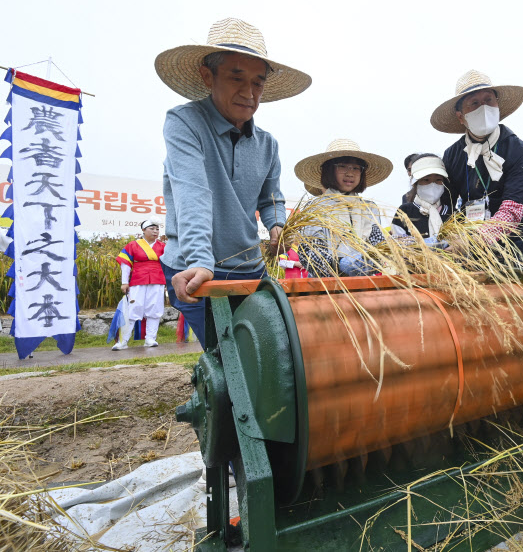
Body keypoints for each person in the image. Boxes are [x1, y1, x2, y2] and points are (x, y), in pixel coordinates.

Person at [154, 18, 311, 346]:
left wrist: (277, 226)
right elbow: (193, 193)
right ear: (207, 75)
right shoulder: (185, 123)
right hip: (194, 268)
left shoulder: (267, 144)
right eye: (236, 76)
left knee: (271, 354)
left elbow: (271, 197)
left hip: (249, 267)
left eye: (257, 82)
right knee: (230, 358)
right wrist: (199, 260)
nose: (248, 92)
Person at [431, 70, 523, 270]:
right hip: (469, 256)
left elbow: (512, 210)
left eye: (489, 100)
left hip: (513, 252)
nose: (484, 108)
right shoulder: (452, 155)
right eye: (475, 103)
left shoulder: (518, 150)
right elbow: (448, 206)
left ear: (498, 105)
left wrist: (473, 240)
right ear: (461, 117)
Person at [294, 139, 393, 278]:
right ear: (329, 170)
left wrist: (377, 259)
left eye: (356, 168)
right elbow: (309, 252)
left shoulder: (369, 208)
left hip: (363, 284)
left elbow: (377, 245)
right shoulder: (316, 208)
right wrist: (339, 265)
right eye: (342, 166)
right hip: (326, 286)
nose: (350, 173)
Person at [112, 219, 166, 349]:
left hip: (158, 279)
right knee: (133, 308)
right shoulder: (133, 245)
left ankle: (150, 339)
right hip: (138, 279)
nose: (155, 231)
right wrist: (125, 282)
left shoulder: (163, 246)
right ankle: (123, 341)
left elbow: (169, 265)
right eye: (152, 228)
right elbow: (125, 264)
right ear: (143, 230)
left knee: (155, 309)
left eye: (157, 229)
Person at [391, 154, 452, 243]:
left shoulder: (451, 213)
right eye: (426, 180)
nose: (433, 185)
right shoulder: (404, 212)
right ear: (416, 183)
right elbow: (398, 244)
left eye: (438, 180)